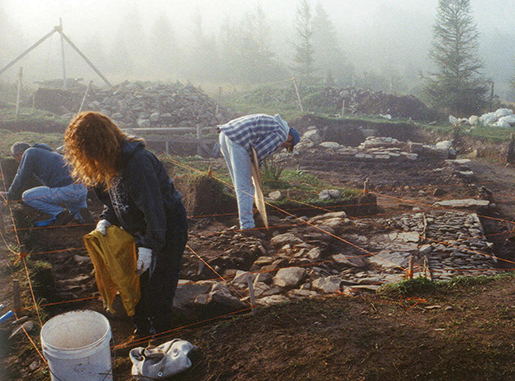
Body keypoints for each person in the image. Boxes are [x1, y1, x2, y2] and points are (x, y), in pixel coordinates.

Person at [63, 111, 188, 340]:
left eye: (90, 150)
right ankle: (141, 332)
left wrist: (150, 246)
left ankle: (162, 337)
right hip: (139, 229)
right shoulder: (105, 164)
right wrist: (106, 219)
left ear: (102, 144)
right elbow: (116, 201)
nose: (89, 158)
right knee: (136, 282)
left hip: (167, 225)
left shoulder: (137, 163)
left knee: (160, 283)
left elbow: (154, 209)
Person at [217, 114, 300, 230]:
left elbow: (256, 152)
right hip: (238, 140)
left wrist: (255, 168)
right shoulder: (282, 134)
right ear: (290, 137)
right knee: (245, 187)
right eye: (287, 145)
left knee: (239, 184)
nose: (284, 146)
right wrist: (257, 170)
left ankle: (248, 211)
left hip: (226, 134)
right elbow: (258, 152)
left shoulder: (275, 124)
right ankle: (247, 226)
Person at [1, 141, 92, 227]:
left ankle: (60, 213)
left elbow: (21, 176)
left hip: (67, 189)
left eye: (16, 158)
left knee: (27, 196)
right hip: (81, 188)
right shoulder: (47, 152)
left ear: (19, 153)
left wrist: (10, 195)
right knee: (76, 216)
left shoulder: (29, 152)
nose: (19, 162)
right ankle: (83, 216)